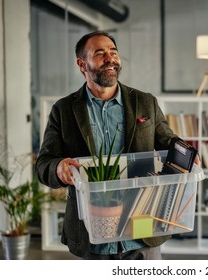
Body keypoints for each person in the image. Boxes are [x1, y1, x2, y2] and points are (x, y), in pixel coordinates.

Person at [35, 31, 178, 260]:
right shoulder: (63, 110)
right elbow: (43, 165)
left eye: (113, 52)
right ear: (82, 64)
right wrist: (59, 168)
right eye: (100, 53)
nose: (110, 58)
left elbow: (169, 140)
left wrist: (186, 152)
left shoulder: (145, 102)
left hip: (141, 229)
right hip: (93, 236)